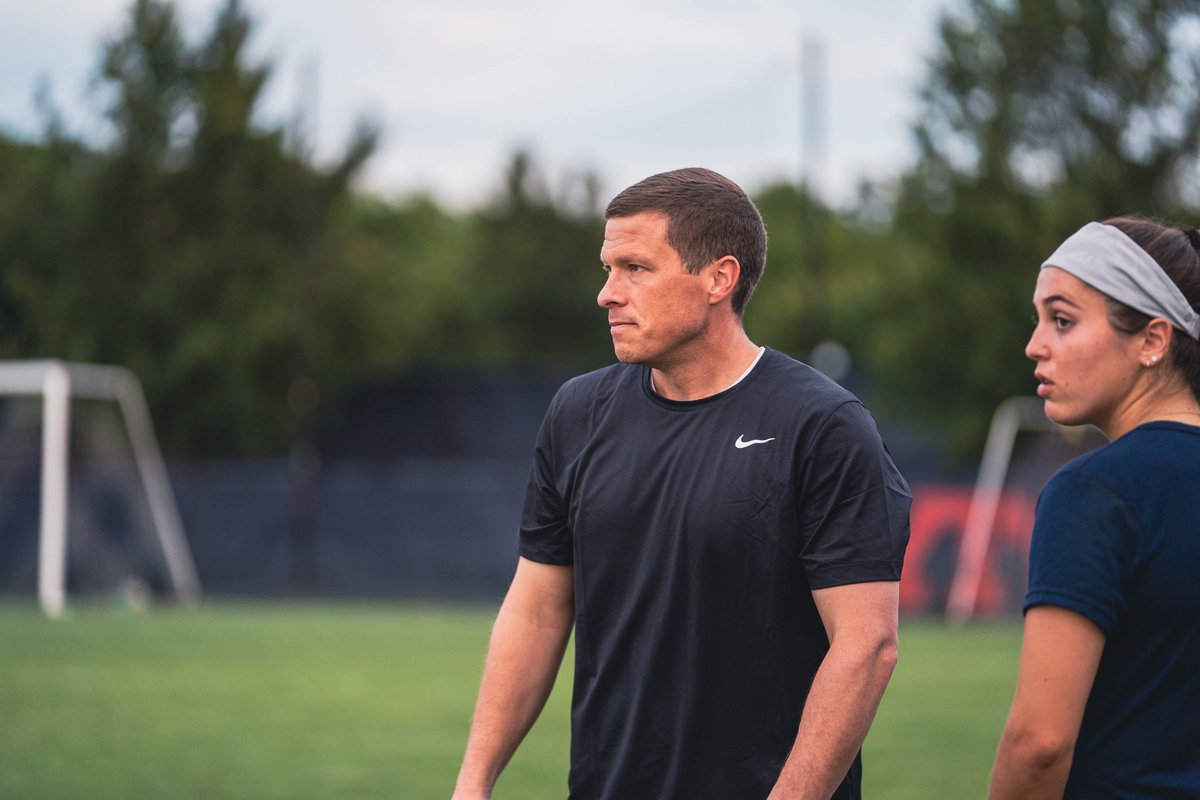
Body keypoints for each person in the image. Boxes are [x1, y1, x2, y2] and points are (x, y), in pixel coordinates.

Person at [452, 167, 911, 800]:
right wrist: (473, 783)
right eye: (607, 268)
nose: (607, 294)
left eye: (635, 268)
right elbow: (536, 609)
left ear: (719, 278)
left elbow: (868, 646)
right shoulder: (577, 413)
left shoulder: (822, 425)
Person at [990, 217, 1200, 799]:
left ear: (1153, 340)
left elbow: (1040, 743)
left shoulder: (1096, 491)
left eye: (1062, 319)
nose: (1035, 344)